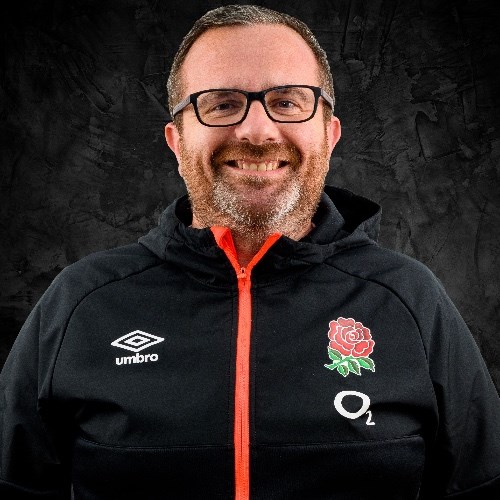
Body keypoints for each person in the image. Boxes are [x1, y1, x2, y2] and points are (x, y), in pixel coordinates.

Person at [1, 4, 499, 499]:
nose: (257, 132)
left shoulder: (411, 300)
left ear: (329, 133)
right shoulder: (81, 303)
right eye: (221, 104)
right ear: (176, 141)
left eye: (287, 102)